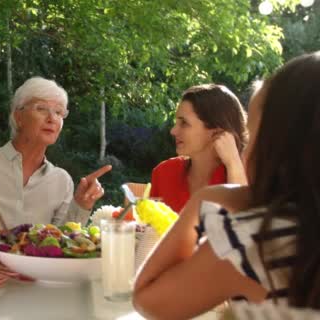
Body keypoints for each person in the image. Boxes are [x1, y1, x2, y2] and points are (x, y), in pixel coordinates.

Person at [133, 51, 320, 319]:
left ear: (279, 145)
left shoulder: (255, 237)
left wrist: (202, 202)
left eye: (251, 134)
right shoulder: (165, 171)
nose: (173, 131)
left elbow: (148, 301)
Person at [0, 77, 111, 229]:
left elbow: (62, 243)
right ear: (18, 117)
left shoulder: (62, 181)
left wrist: (81, 204)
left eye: (58, 112)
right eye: (41, 108)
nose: (52, 118)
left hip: (38, 268)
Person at [149, 84, 248, 212]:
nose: (173, 131)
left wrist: (233, 163)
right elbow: (147, 229)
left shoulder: (244, 176)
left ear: (217, 132)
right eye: (176, 122)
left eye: (184, 123)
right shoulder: (163, 173)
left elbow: (241, 226)